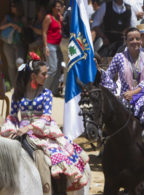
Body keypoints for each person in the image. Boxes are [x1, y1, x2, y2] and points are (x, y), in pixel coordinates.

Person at [0, 53, 89, 193]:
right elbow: (12, 116)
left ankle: (56, 190)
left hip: (42, 131)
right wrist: (10, 129)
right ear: (33, 76)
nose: (47, 76)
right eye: (44, 74)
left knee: (58, 158)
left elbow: (46, 116)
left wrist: (29, 127)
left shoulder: (47, 94)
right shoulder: (18, 93)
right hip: (21, 130)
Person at [100, 27, 144, 122]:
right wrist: (99, 70)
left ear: (141, 40)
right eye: (131, 39)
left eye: (137, 39)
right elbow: (108, 75)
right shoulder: (119, 57)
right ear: (126, 41)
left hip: (143, 96)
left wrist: (133, 93)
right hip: (125, 98)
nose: (135, 41)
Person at [0, 1, 25, 89]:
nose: (12, 7)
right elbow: (1, 27)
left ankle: (20, 84)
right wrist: (10, 24)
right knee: (11, 65)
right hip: (8, 44)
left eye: (14, 6)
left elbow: (24, 31)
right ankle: (14, 86)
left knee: (20, 63)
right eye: (11, 6)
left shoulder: (22, 18)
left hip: (18, 43)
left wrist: (18, 28)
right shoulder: (8, 17)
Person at [42, 0, 64, 97]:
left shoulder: (60, 18)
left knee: (59, 69)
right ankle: (43, 90)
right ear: (53, 8)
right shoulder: (48, 17)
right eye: (57, 6)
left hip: (59, 46)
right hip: (50, 45)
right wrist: (45, 46)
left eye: (60, 6)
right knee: (53, 68)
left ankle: (54, 91)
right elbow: (44, 32)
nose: (59, 8)